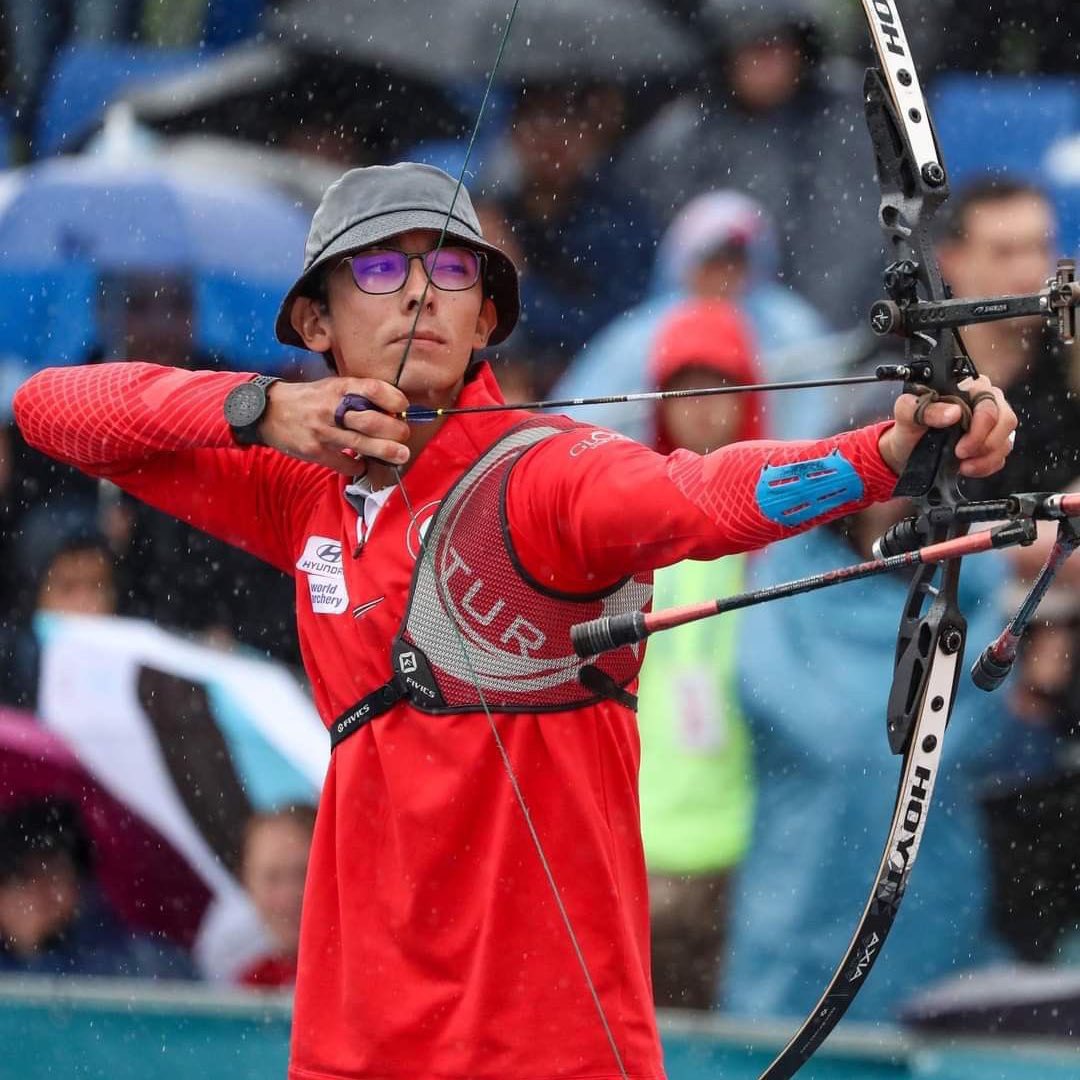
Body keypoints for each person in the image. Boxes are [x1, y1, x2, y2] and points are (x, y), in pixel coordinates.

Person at [12, 161, 1016, 1080]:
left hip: (548, 1045)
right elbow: (54, 410)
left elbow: (704, 497)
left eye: (451, 269)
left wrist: (882, 453)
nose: (419, 292)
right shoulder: (300, 487)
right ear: (314, 324)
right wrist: (259, 409)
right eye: (377, 271)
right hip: (356, 1039)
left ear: (487, 317)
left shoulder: (549, 478)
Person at [636, 300, 761, 1010]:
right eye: (688, 389)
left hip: (744, 839)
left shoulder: (776, 532)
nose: (706, 409)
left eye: (723, 387)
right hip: (645, 837)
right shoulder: (636, 523)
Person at [236, 803, 315, 990]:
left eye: (303, 873)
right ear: (247, 885)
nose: (288, 896)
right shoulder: (252, 986)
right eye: (272, 878)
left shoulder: (371, 974)